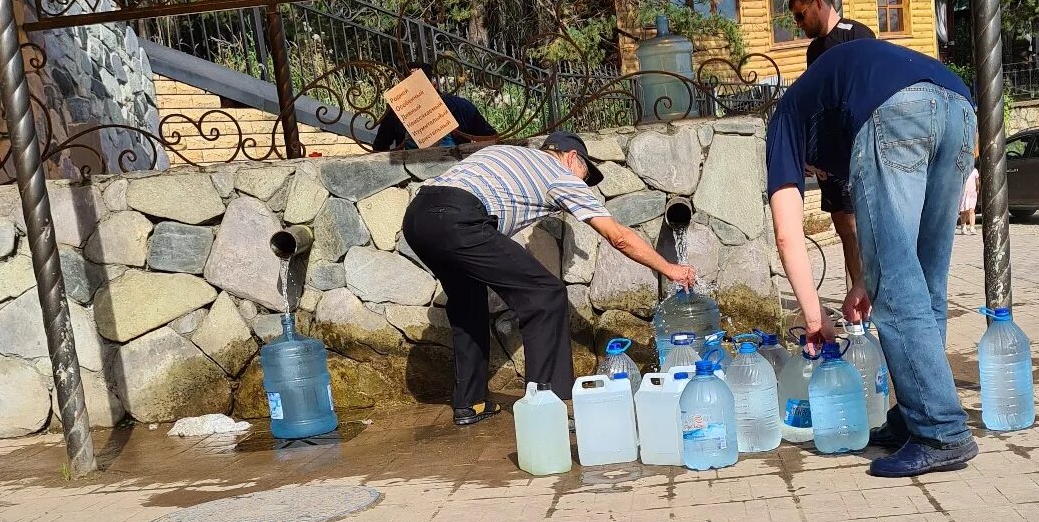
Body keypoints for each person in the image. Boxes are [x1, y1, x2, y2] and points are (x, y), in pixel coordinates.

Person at [765, 39, 979, 480]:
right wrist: (863, 282)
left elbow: (787, 235)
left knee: (899, 288)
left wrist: (812, 317)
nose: (813, 174)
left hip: (899, 110)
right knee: (924, 276)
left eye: (809, 171)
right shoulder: (836, 104)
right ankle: (917, 413)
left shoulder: (785, 119)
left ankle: (941, 432)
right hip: (958, 105)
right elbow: (884, 231)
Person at [402, 133, 695, 427]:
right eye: (585, 175)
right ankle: (547, 406)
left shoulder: (507, 154)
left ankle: (470, 402)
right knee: (546, 295)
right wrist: (670, 269)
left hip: (418, 217)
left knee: (468, 303)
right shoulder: (559, 175)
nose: (583, 185)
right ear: (571, 157)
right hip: (459, 219)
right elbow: (617, 236)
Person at [789, 0, 875, 298]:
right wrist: (812, 151)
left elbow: (868, 91)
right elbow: (817, 103)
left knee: (858, 226)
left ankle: (873, 294)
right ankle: (858, 294)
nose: (799, 26)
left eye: (800, 16)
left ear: (817, 4)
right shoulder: (814, 51)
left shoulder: (857, 35)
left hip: (857, 150)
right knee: (844, 229)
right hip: (830, 154)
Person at [372, 69, 500, 152]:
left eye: (421, 88)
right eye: (411, 88)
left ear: (434, 86)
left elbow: (490, 139)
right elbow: (380, 148)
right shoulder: (396, 114)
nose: (417, 94)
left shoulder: (461, 107)